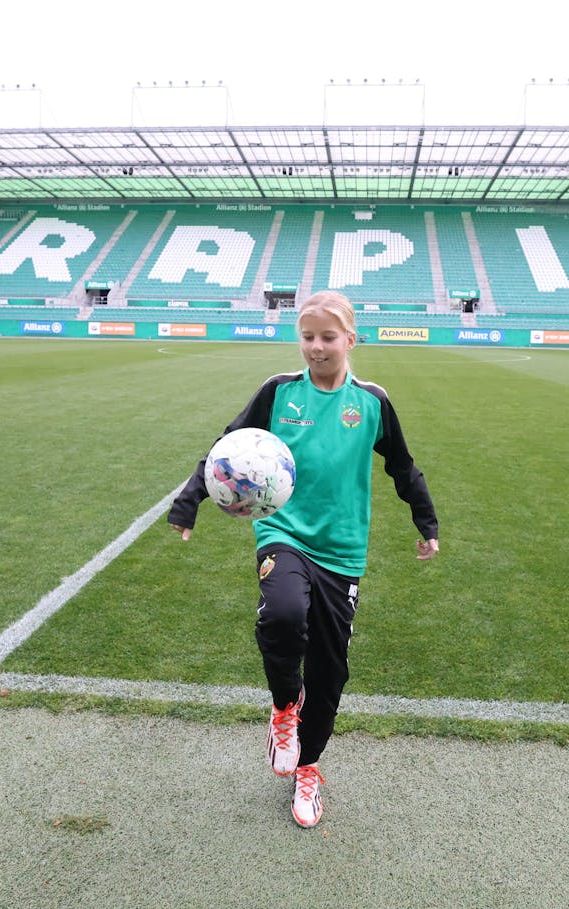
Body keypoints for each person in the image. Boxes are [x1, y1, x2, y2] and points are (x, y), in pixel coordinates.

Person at [167, 290, 439, 828]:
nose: (316, 347)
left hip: (341, 548)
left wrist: (426, 522)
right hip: (283, 532)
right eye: (308, 337)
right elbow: (228, 447)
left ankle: (308, 768)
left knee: (331, 669)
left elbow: (403, 469)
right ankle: (284, 707)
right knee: (285, 615)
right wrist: (189, 500)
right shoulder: (278, 392)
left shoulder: (372, 403)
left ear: (350, 339)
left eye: (327, 337)